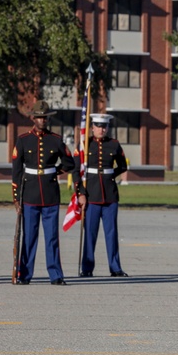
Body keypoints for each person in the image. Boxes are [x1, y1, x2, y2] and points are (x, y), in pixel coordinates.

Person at [12, 100, 76, 285]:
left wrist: (54, 171)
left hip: (50, 194)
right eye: (39, 117)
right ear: (33, 118)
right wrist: (16, 197)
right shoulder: (23, 140)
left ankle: (56, 275)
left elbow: (69, 163)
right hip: (30, 193)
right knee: (29, 237)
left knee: (52, 238)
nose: (42, 120)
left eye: (45, 117)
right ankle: (24, 274)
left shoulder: (55, 140)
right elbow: (16, 171)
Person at [76, 113, 129, 277]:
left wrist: (110, 175)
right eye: (98, 126)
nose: (101, 129)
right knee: (90, 234)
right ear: (92, 127)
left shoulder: (114, 144)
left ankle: (115, 267)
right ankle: (87, 268)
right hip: (91, 194)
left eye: (104, 126)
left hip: (109, 195)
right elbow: (77, 171)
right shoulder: (85, 144)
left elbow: (122, 166)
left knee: (111, 233)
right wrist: (80, 193)